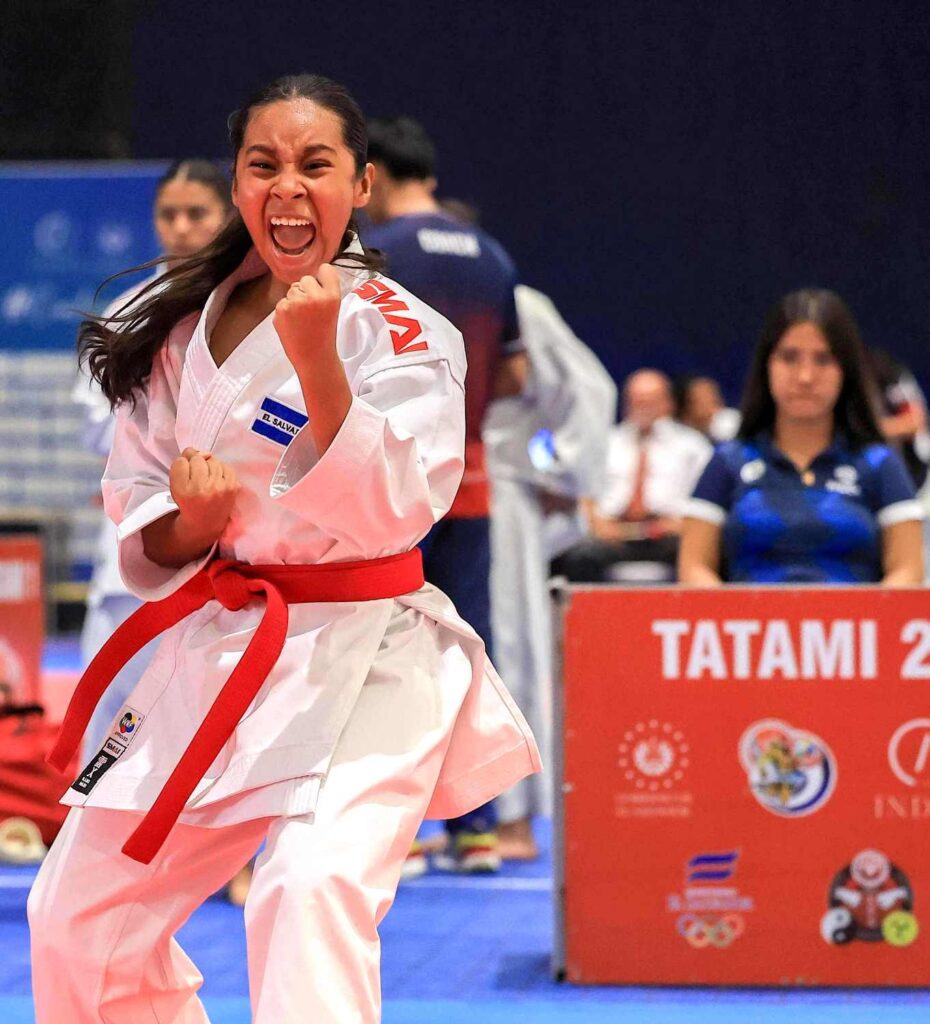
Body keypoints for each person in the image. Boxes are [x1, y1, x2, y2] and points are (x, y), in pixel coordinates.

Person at [28, 74, 540, 1024]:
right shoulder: (178, 327)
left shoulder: (405, 331)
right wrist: (193, 523)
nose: (288, 187)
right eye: (263, 165)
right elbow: (141, 506)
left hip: (367, 651)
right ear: (238, 184)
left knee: (307, 892)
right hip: (222, 644)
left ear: (362, 184)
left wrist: (317, 362)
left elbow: (400, 509)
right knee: (75, 915)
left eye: (316, 164)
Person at [364, 117, 527, 872]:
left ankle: (386, 829)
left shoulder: (376, 254)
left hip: (397, 485)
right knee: (466, 649)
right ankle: (477, 828)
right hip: (473, 478)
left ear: (371, 176)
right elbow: (517, 375)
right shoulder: (493, 255)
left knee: (378, 649)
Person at [73, 159, 231, 766]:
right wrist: (162, 438)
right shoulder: (127, 310)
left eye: (197, 213)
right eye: (169, 214)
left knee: (204, 705)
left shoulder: (242, 304)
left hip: (221, 526)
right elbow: (95, 422)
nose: (182, 227)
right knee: (110, 700)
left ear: (226, 217)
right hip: (140, 518)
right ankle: (97, 813)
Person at [485, 283, 617, 858]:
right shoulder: (369, 292)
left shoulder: (506, 297)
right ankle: (445, 825)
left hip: (494, 486)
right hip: (406, 490)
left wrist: (557, 470)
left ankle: (513, 817)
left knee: (508, 648)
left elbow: (588, 388)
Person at [679, 288, 924, 586]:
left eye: (823, 359)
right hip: (742, 617)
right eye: (789, 357)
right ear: (766, 365)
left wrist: (857, 615)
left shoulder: (880, 465)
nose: (805, 377)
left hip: (857, 617)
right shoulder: (727, 462)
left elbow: (908, 572)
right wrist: (735, 614)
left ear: (846, 370)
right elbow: (694, 568)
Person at [553, 369, 711, 583]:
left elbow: (706, 500)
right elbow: (584, 492)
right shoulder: (606, 444)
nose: (643, 408)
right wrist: (596, 523)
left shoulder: (693, 447)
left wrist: (685, 525)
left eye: (650, 401)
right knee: (580, 557)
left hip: (669, 535)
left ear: (668, 403)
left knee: (696, 556)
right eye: (637, 401)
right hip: (615, 534)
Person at [675, 374, 740, 442]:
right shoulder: (679, 440)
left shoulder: (732, 421)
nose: (714, 407)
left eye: (714, 397)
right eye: (703, 399)